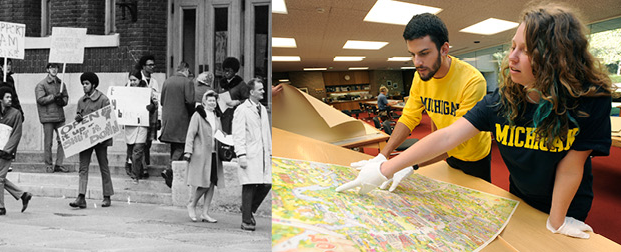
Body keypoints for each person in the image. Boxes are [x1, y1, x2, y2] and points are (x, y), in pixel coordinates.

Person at [338, 3, 612, 239]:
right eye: (512, 46)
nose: (511, 57)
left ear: (555, 59)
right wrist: (385, 167)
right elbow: (447, 135)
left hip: (567, 203)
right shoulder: (503, 100)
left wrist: (557, 220)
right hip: (519, 194)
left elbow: (571, 166)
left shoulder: (589, 102)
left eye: (525, 51)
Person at [351, 13, 493, 182]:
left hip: (474, 155)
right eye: (412, 54)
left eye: (424, 53)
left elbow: (456, 138)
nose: (417, 62)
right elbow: (409, 117)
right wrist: (382, 155)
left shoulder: (472, 81)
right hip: (445, 152)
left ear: (444, 49)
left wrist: (410, 164)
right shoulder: (420, 76)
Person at [69, 72, 114, 208]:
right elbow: (79, 116)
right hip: (85, 140)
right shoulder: (81, 101)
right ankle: (81, 196)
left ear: (93, 85)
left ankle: (107, 196)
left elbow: (108, 120)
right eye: (83, 83)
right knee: (83, 168)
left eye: (87, 84)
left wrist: (103, 136)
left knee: (103, 166)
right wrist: (77, 118)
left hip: (100, 140)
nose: (84, 86)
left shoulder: (103, 100)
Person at [232, 79, 272, 231]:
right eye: (260, 89)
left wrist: (269, 152)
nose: (263, 91)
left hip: (262, 153)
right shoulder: (242, 110)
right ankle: (246, 220)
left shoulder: (262, 108)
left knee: (267, 183)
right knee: (249, 184)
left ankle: (248, 209)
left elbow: (266, 133)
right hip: (249, 152)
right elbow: (238, 134)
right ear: (251, 92)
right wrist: (241, 154)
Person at [0, 87, 33, 216]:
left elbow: (16, 134)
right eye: (7, 97)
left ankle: (0, 207)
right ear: (1, 99)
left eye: (10, 97)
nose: (9, 99)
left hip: (7, 151)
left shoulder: (16, 113)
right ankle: (23, 195)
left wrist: (7, 150)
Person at [183, 90, 224, 224]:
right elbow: (191, 133)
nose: (212, 103)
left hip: (214, 154)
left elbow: (219, 133)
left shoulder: (217, 116)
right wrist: (188, 151)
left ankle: (205, 213)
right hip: (201, 154)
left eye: (214, 100)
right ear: (204, 102)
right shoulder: (198, 115)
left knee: (212, 183)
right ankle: (192, 204)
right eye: (210, 100)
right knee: (204, 182)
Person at [123, 69, 158, 182]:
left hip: (142, 123)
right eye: (131, 80)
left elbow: (155, 103)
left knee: (138, 149)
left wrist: (151, 106)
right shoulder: (125, 90)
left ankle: (135, 174)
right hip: (130, 123)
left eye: (135, 80)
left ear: (139, 80)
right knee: (130, 149)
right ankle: (130, 166)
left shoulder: (147, 91)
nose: (132, 82)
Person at [35, 63, 70, 173]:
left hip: (59, 116)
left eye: (56, 67)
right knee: (48, 142)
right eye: (51, 67)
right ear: (47, 69)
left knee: (63, 140)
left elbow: (66, 97)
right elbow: (40, 99)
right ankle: (49, 165)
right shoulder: (41, 84)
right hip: (48, 117)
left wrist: (62, 101)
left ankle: (59, 164)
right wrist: (54, 97)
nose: (54, 70)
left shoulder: (61, 83)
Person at [160, 62, 196, 161]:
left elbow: (162, 100)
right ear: (186, 70)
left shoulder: (167, 81)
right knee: (181, 145)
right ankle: (170, 168)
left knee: (174, 145)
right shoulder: (187, 82)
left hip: (168, 118)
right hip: (181, 118)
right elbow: (190, 101)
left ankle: (173, 170)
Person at [135, 55, 161, 169]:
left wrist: (159, 117)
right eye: (149, 65)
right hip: (140, 114)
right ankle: (141, 166)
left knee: (148, 141)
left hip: (152, 114)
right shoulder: (136, 78)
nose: (152, 67)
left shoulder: (154, 82)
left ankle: (144, 163)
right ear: (143, 66)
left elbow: (157, 99)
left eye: (153, 65)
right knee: (140, 142)